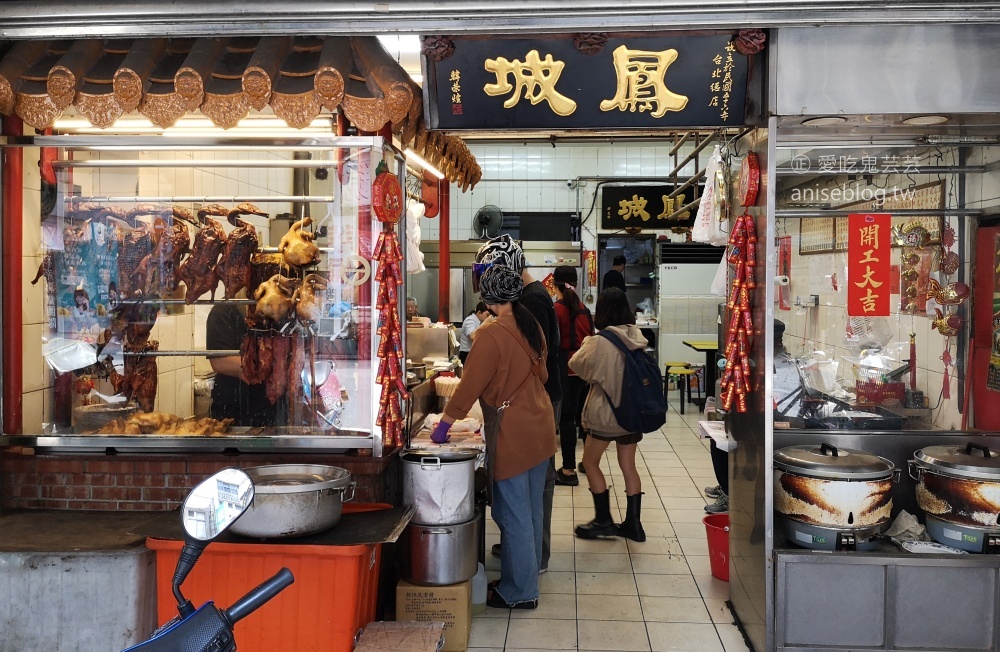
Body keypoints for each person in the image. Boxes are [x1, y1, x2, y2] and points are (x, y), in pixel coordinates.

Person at [431, 265, 555, 610]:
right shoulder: (531, 326)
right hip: (541, 427)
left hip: (514, 431)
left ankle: (520, 591)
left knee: (513, 513)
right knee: (530, 510)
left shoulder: (490, 333)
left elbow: (469, 385)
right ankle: (522, 579)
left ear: (487, 296)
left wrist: (444, 425)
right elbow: (542, 375)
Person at [474, 234, 562, 573]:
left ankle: (533, 555)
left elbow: (531, 354)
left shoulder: (533, 299)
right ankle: (526, 548)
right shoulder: (531, 295)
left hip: (540, 398)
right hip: (538, 396)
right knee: (531, 484)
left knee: (535, 484)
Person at [569, 287, 648, 542]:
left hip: (606, 412)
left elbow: (577, 366)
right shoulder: (636, 334)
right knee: (628, 466)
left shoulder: (599, 341)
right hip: (632, 411)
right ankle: (633, 525)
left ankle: (603, 520)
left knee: (591, 462)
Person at [552, 265, 593, 487]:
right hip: (584, 372)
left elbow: (550, 342)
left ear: (554, 284)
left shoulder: (556, 310)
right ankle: (588, 462)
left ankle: (568, 471)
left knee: (567, 420)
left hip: (564, 370)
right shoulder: (584, 310)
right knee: (583, 419)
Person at [205, 303, 278, 427]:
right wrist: (264, 369)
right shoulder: (223, 311)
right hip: (233, 408)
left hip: (270, 410)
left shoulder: (276, 311)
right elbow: (220, 363)